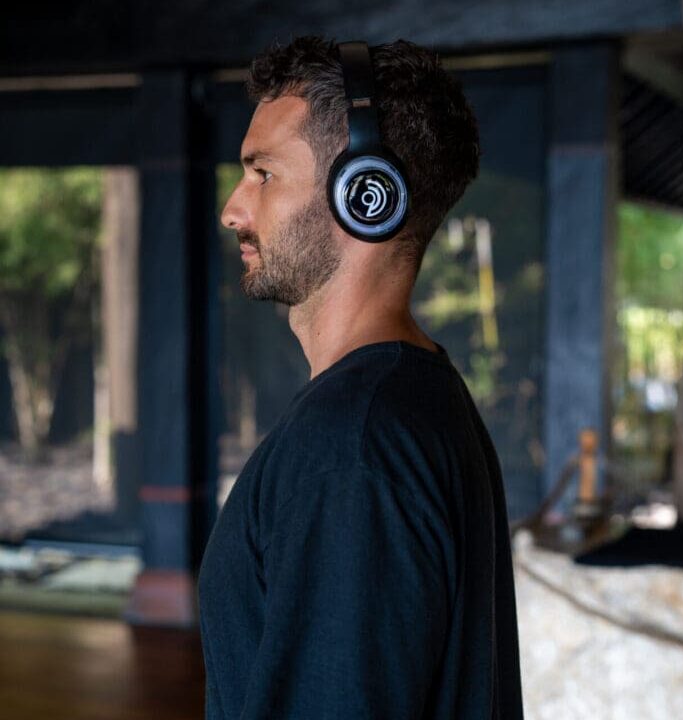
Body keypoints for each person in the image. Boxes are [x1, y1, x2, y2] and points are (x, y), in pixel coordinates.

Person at [198, 35, 524, 719]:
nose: (232, 207)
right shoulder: (418, 398)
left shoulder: (353, 445)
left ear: (365, 195)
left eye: (263, 174)